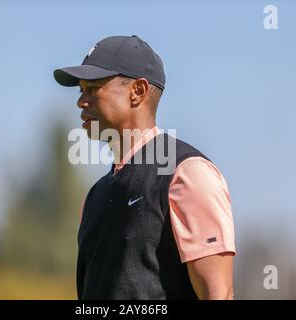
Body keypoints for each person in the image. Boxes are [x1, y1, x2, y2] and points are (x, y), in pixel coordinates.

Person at [53, 35, 236, 300]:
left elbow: (218, 294)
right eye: (80, 90)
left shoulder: (186, 173)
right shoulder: (96, 195)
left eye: (92, 88)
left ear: (137, 91)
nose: (81, 101)